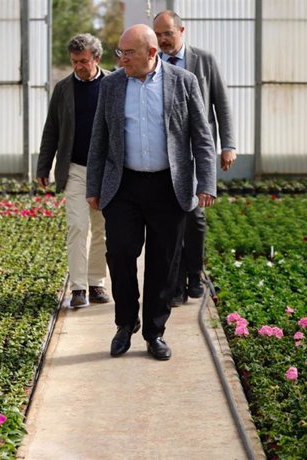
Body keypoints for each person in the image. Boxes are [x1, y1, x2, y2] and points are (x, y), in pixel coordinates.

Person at [86, 24, 217, 360]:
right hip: (123, 185)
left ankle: (154, 332)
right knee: (120, 254)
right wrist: (93, 187)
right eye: (120, 51)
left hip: (168, 186)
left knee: (163, 262)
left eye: (128, 52)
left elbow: (201, 137)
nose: (122, 58)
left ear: (151, 53)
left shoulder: (183, 82)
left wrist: (207, 182)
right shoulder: (112, 84)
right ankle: (124, 323)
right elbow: (99, 139)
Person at [152, 10, 236, 306]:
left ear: (181, 30)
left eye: (167, 33)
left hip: (196, 152)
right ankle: (174, 284)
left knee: (195, 219)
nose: (162, 40)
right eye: (158, 34)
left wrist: (228, 145)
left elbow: (221, 106)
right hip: (166, 155)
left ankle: (194, 272)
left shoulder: (204, 60)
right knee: (170, 221)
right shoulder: (153, 63)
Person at [37, 33, 111, 308]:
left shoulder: (113, 83)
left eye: (83, 61)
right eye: (74, 61)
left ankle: (96, 283)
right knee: (78, 227)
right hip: (76, 169)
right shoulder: (63, 89)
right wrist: (44, 166)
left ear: (96, 58)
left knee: (102, 229)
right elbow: (52, 129)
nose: (78, 66)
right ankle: (78, 288)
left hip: (106, 171)